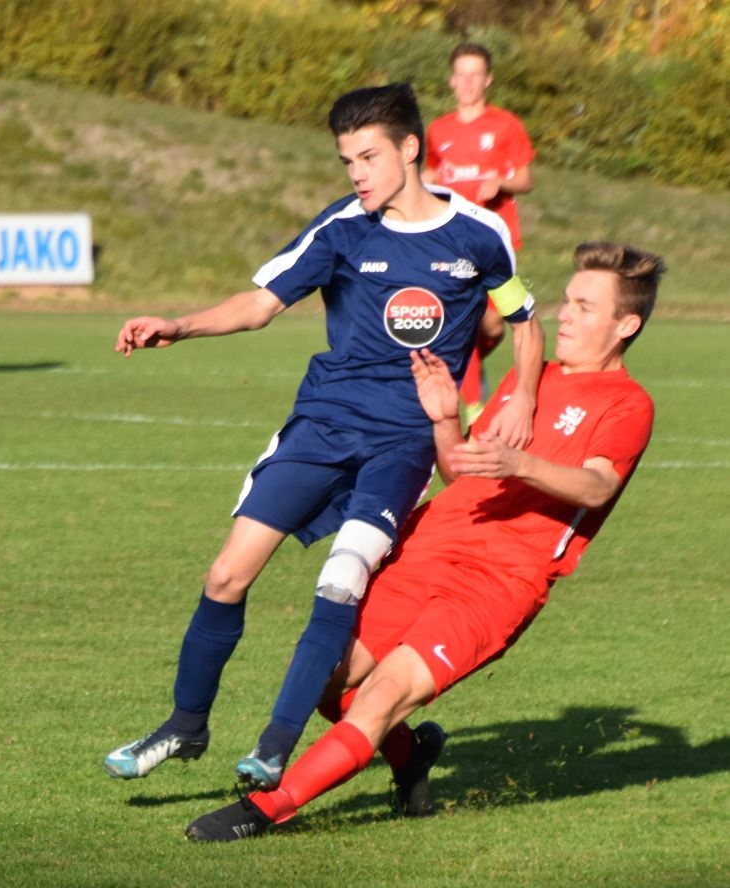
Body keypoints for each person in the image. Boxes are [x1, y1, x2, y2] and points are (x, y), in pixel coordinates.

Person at [105, 83, 544, 785]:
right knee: (226, 574)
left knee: (342, 580)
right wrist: (178, 325)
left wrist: (524, 395)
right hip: (323, 424)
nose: (357, 174)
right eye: (347, 162)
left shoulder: (478, 234)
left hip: (403, 444)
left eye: (369, 157)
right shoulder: (342, 227)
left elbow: (523, 320)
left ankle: (275, 746)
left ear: (409, 148)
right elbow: (260, 305)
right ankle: (186, 726)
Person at [184, 240, 666, 842]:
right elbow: (461, 474)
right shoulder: (529, 379)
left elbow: (597, 486)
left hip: (496, 583)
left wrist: (520, 464)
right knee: (325, 685)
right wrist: (444, 419)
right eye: (567, 300)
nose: (563, 315)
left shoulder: (627, 403)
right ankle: (410, 756)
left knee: (382, 696)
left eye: (584, 307)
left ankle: (265, 809)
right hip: (426, 547)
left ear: (626, 325)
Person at [423, 42, 536, 424]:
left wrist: (501, 181)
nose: (468, 82)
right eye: (462, 75)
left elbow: (525, 178)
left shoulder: (505, 125)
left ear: (487, 80)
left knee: (492, 326)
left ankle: (460, 369)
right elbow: (430, 174)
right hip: (451, 241)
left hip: (495, 239)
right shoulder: (438, 130)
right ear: (452, 80)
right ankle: (474, 407)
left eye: (476, 75)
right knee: (466, 320)